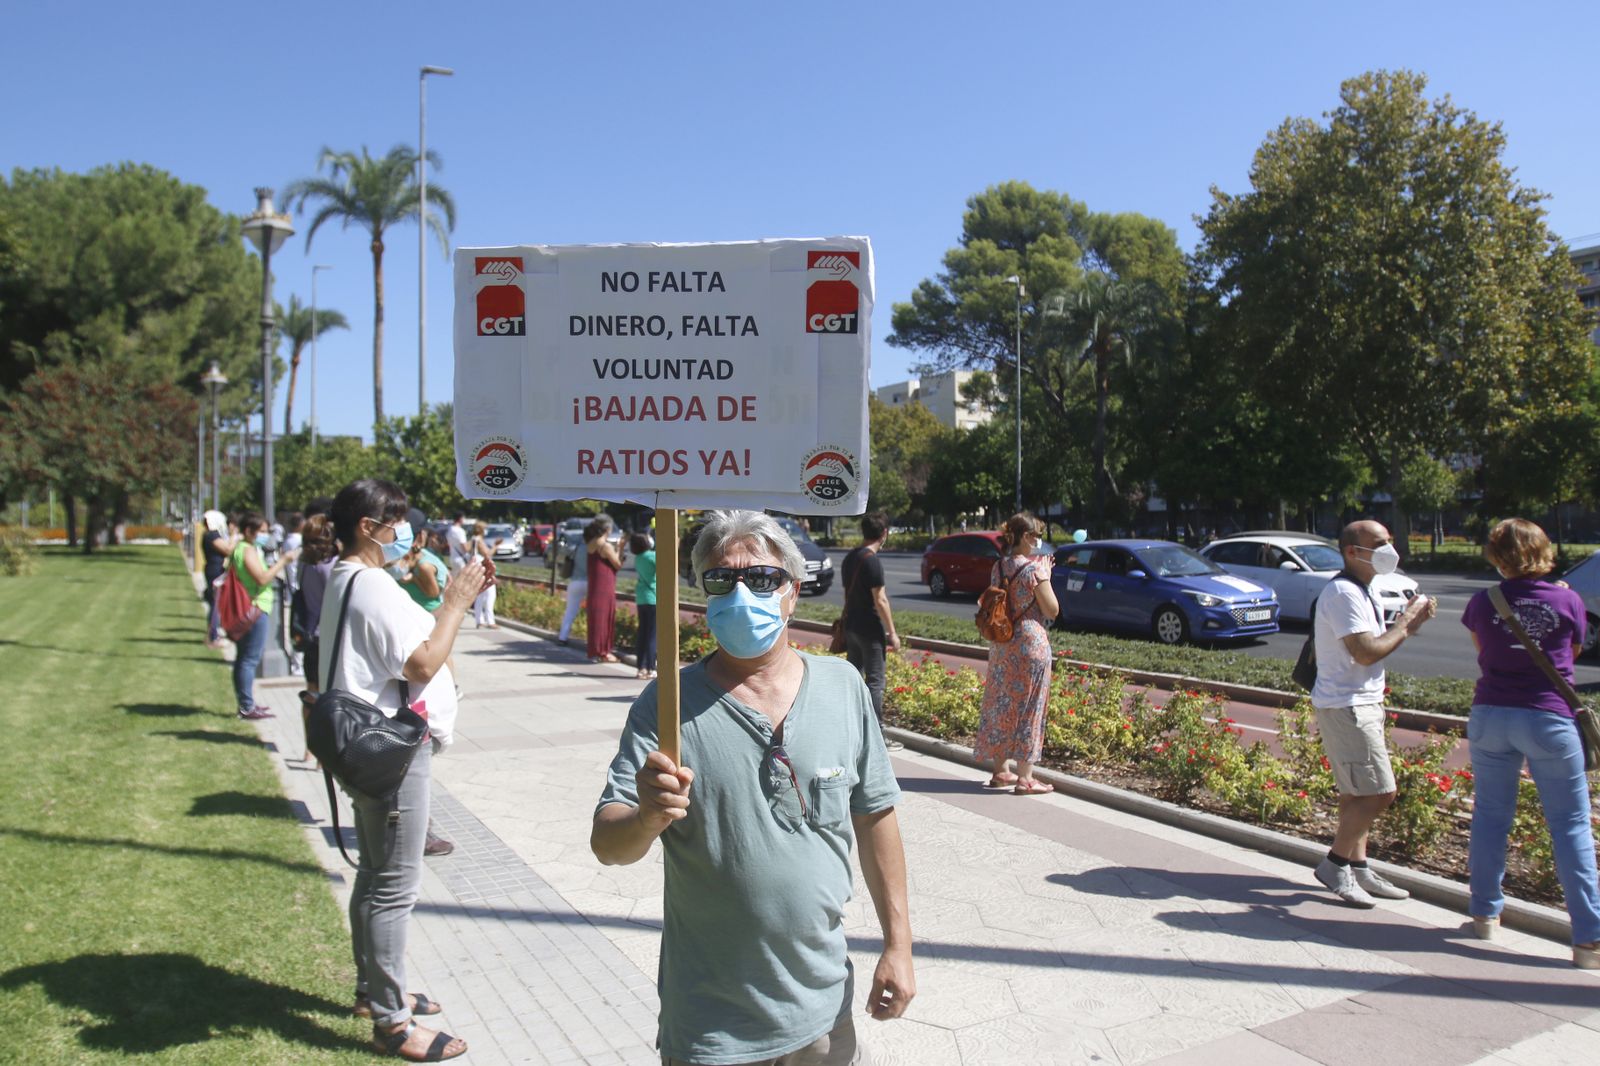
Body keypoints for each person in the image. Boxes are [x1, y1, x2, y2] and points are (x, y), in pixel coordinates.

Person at [591, 509, 915, 1065]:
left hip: (822, 1012)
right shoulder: (666, 706)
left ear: (792, 594)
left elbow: (875, 816)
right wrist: (646, 818)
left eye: (763, 579)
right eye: (723, 579)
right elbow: (607, 844)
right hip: (715, 1028)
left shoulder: (843, 688)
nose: (743, 592)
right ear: (704, 595)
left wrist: (898, 945)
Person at [320, 479, 485, 1061]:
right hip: (389, 750)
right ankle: (393, 1021)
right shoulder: (369, 584)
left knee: (374, 873)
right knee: (395, 885)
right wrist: (456, 602)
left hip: (360, 746)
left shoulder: (344, 577)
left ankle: (375, 989)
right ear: (369, 527)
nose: (404, 531)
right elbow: (420, 662)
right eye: (396, 521)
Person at [1459, 518, 1599, 968]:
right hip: (1548, 718)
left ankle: (1484, 915)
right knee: (1571, 824)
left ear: (1496, 555)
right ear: (1544, 549)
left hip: (1492, 714)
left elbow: (1484, 651)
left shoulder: (1484, 601)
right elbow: (1570, 654)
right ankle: (1589, 940)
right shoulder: (1568, 600)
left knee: (1490, 816)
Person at [1310, 519, 1436, 906]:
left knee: (1355, 793)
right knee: (1380, 793)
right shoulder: (1344, 594)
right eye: (1379, 543)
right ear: (1353, 552)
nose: (1389, 549)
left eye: (1389, 541)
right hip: (1347, 705)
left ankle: (1358, 867)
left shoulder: (1364, 588)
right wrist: (1407, 625)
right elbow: (1365, 651)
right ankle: (1334, 864)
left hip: (1359, 701)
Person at [973, 513, 1060, 795]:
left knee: (1002, 704)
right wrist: (1046, 575)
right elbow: (1052, 610)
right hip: (1030, 646)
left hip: (1002, 644)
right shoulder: (1035, 570)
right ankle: (1026, 778)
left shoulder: (998, 568)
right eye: (1035, 536)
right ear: (1024, 537)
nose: (1038, 541)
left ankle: (1001, 771)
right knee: (1030, 709)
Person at [842, 511, 903, 752]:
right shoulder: (872, 561)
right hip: (870, 628)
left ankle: (852, 730)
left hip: (851, 626)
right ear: (884, 534)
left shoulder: (850, 558)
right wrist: (893, 633)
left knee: (854, 679)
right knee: (875, 682)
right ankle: (877, 736)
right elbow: (881, 600)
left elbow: (848, 593)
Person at [228, 511, 298, 721]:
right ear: (249, 531)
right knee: (249, 659)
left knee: (244, 658)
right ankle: (247, 706)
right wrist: (283, 561)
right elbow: (262, 578)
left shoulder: (245, 548)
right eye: (263, 532)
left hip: (250, 608)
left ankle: (246, 702)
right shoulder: (247, 550)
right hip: (255, 608)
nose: (266, 536)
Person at [295, 514, 338, 763]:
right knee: (329, 696)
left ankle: (309, 747)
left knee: (311, 693)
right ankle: (324, 752)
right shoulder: (331, 566)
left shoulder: (304, 563)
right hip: (329, 637)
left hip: (311, 635)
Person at [585, 515, 624, 663]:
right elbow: (617, 564)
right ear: (607, 528)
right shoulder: (605, 546)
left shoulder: (591, 543)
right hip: (605, 585)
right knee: (605, 617)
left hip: (594, 584)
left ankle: (595, 650)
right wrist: (620, 548)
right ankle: (604, 652)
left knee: (595, 618)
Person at [201, 510, 234, 648]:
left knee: (217, 603)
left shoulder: (210, 535)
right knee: (216, 603)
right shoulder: (212, 535)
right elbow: (227, 549)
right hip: (214, 571)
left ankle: (212, 633)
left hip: (214, 569)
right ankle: (213, 636)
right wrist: (234, 537)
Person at [630, 532, 658, 679]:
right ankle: (651, 668)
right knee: (652, 635)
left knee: (642, 633)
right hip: (653, 597)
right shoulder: (652, 556)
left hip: (641, 598)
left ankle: (640, 667)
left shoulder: (638, 558)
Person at [467, 521, 498, 629]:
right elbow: (487, 554)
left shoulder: (472, 539)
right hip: (483, 567)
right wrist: (495, 546)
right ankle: (490, 621)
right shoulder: (479, 540)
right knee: (490, 594)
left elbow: (466, 549)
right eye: (485, 528)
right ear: (481, 529)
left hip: (476, 567)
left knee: (480, 594)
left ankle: (479, 620)